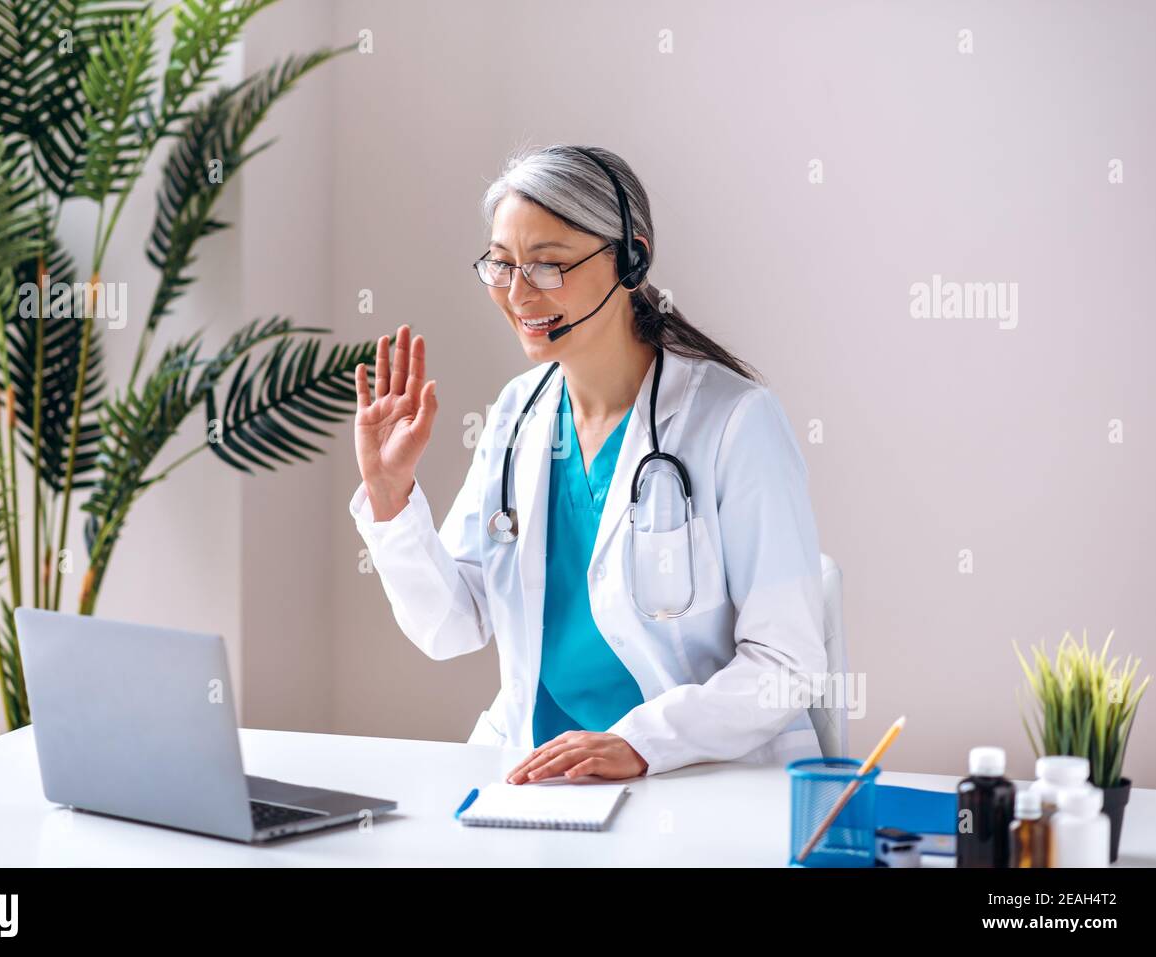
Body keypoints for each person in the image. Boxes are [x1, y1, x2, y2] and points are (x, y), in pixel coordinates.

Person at [349, 144, 826, 782]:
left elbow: (787, 666)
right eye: (501, 265)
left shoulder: (735, 420)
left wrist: (642, 744)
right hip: (539, 770)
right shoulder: (518, 415)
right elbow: (451, 626)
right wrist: (390, 495)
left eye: (548, 266)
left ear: (633, 259)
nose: (518, 293)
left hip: (697, 774)